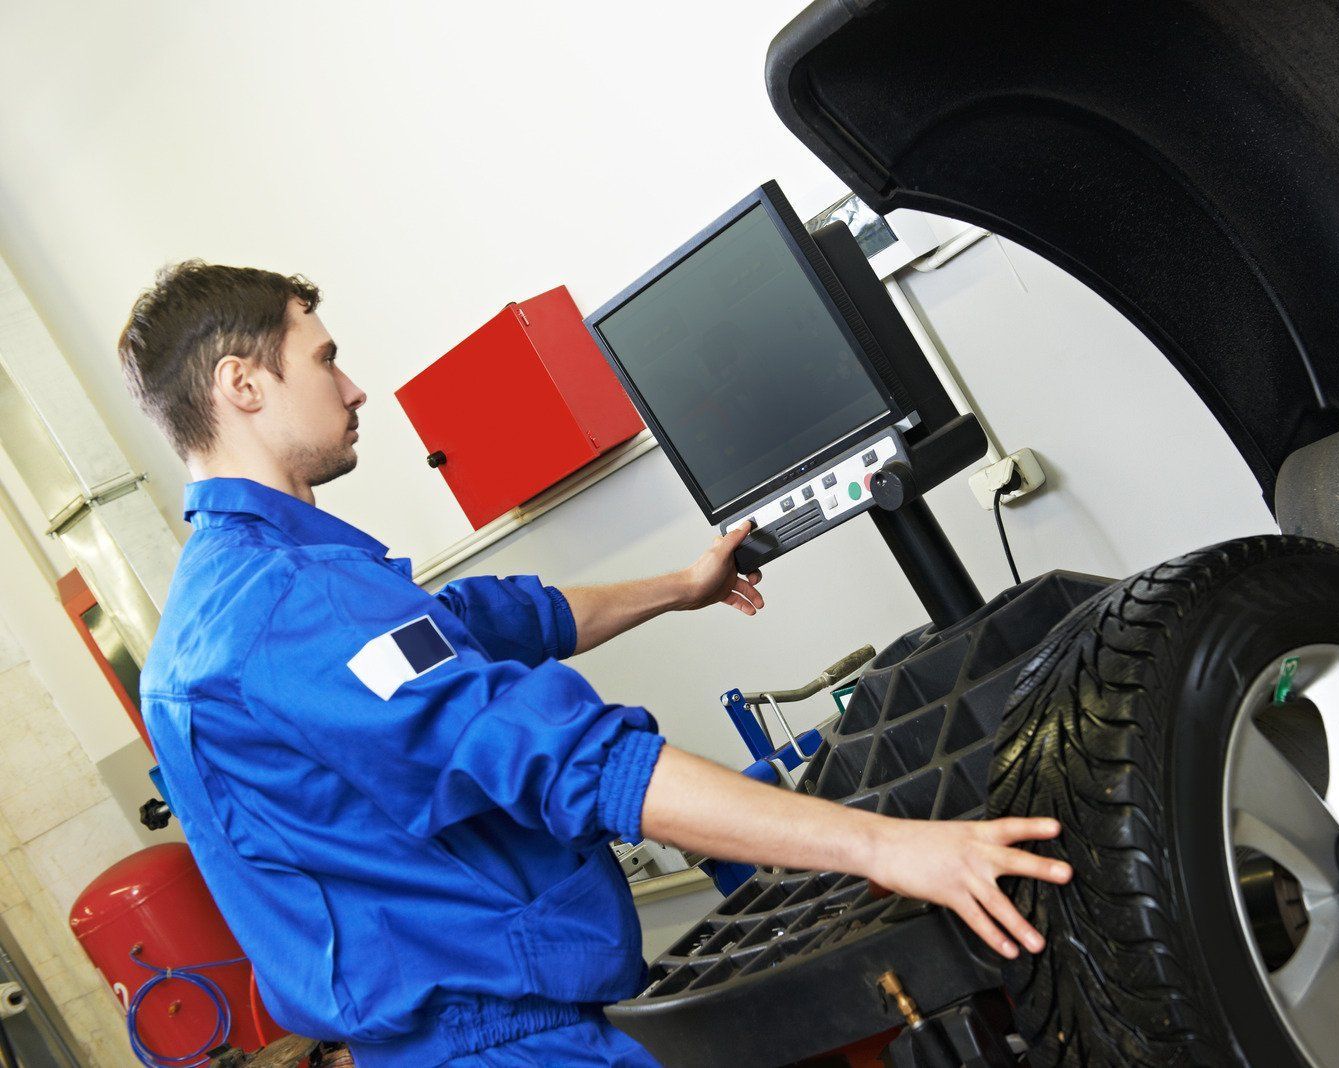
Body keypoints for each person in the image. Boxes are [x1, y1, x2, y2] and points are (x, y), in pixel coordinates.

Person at [119, 261, 1071, 1067]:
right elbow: (564, 758)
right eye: (324, 358)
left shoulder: (232, 607)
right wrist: (888, 847)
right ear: (244, 385)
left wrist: (680, 586)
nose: (356, 387)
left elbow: (487, 622)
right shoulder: (295, 610)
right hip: (506, 1044)